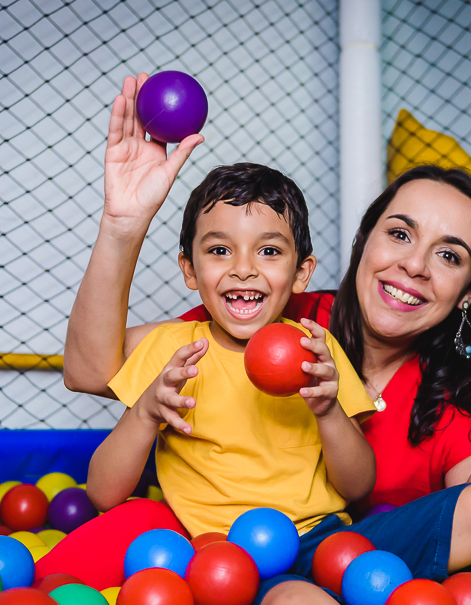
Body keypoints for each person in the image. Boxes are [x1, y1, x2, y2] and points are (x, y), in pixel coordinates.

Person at [50, 74, 471, 605]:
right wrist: (123, 225)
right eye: (400, 234)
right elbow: (90, 369)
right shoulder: (272, 313)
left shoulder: (451, 390)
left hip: (349, 551)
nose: (415, 265)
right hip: (245, 567)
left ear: (467, 290)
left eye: (448, 255)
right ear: (363, 243)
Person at [86, 160, 377, 540]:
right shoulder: (173, 352)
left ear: (302, 273)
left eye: (269, 251)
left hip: (313, 541)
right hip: (210, 556)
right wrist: (144, 413)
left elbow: (358, 488)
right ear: (189, 270)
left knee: (301, 599)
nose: (243, 269)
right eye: (220, 250)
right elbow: (103, 494)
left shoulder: (315, 349)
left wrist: (329, 412)